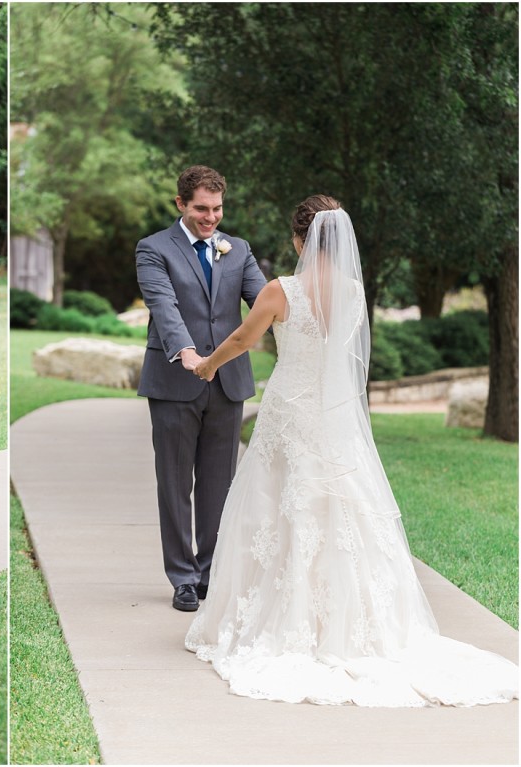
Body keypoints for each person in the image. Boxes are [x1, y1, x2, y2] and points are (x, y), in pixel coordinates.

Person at [185, 195, 519, 706]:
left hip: (290, 416)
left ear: (300, 239)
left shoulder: (280, 290)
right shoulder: (354, 291)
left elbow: (242, 339)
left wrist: (208, 364)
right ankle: (351, 625)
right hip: (334, 419)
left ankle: (288, 623)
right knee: (340, 512)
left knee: (278, 512)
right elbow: (347, 357)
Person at [135, 165, 267, 612]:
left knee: (218, 484)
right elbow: (163, 305)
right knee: (174, 483)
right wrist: (187, 354)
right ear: (180, 205)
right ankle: (183, 577)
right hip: (175, 379)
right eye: (201, 209)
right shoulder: (153, 249)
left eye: (217, 209)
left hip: (228, 383)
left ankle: (211, 571)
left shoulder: (240, 249)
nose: (211, 218)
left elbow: (263, 303)